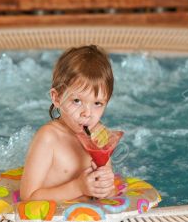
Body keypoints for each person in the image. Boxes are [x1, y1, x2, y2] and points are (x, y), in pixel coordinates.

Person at [20, 45, 116, 202]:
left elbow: (107, 192)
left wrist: (105, 188)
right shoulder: (48, 138)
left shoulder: (100, 135)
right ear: (57, 98)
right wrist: (78, 187)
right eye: (77, 101)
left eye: (97, 103)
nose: (87, 113)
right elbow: (28, 197)